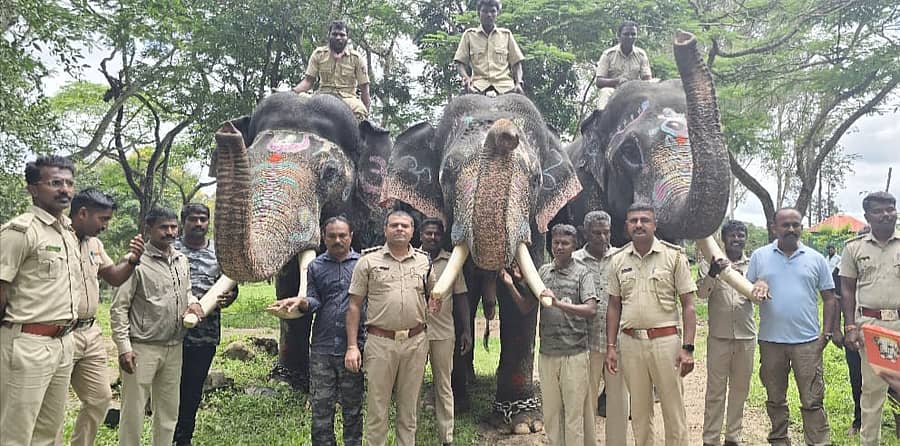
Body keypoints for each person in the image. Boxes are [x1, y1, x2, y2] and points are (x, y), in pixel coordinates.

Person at [0, 155, 83, 445]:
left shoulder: (68, 233)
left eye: (69, 183)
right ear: (33, 189)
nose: (65, 190)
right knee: (15, 431)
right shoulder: (20, 232)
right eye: (55, 183)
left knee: (49, 431)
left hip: (63, 343)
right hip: (27, 345)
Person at [110, 207, 203, 446]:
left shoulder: (181, 260)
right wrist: (124, 347)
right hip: (142, 348)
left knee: (168, 412)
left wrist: (192, 304)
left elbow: (186, 292)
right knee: (134, 412)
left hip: (174, 346)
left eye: (173, 227)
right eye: (163, 227)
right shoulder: (134, 263)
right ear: (149, 229)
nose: (170, 232)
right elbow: (118, 308)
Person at [606, 203, 697, 446]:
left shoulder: (674, 256)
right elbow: (614, 306)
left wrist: (688, 348)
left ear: (654, 225)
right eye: (633, 220)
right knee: (639, 410)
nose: (639, 224)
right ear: (627, 227)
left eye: (644, 220)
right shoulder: (617, 260)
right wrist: (611, 347)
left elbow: (688, 304)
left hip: (666, 342)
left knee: (673, 409)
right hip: (630, 343)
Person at [269, 216, 365, 446]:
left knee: (353, 409)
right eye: (332, 236)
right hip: (322, 348)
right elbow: (314, 299)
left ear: (351, 236)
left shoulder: (363, 265)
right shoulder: (316, 266)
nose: (337, 240)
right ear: (324, 237)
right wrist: (302, 302)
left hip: (354, 347)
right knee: (321, 408)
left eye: (342, 235)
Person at [747, 207, 836, 446]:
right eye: (785, 225)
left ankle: (817, 442)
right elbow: (746, 293)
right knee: (775, 399)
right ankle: (779, 440)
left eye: (795, 224)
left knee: (812, 399)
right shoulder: (759, 256)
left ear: (801, 227)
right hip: (771, 341)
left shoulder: (816, 259)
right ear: (774, 228)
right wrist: (757, 284)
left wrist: (826, 334)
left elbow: (829, 297)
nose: (791, 229)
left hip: (807, 343)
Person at [344, 210, 433, 446]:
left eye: (405, 225)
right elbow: (353, 305)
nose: (400, 229)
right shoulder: (368, 261)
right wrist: (352, 346)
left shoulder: (425, 261)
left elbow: (433, 297)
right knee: (377, 409)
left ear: (413, 231)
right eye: (394, 225)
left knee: (409, 410)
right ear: (385, 229)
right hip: (380, 343)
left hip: (415, 342)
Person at [65, 188, 144, 446]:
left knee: (99, 398)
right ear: (83, 213)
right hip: (60, 333)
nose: (106, 226)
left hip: (90, 332)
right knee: (49, 407)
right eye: (103, 219)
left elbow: (113, 276)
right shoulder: (57, 236)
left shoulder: (94, 244)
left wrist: (132, 259)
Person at [173, 203, 238, 446]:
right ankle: (165, 435)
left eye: (203, 219)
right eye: (193, 219)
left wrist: (230, 298)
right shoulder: (171, 248)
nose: (199, 224)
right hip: (171, 335)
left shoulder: (219, 252)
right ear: (184, 221)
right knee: (170, 389)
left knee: (192, 390)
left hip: (205, 336)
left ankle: (183, 439)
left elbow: (231, 288)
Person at [840, 191, 900, 445]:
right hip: (873, 328)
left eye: (891, 208)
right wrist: (850, 325)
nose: (886, 214)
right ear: (868, 216)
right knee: (873, 391)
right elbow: (846, 289)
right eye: (879, 210)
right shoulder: (854, 248)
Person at [533, 224, 597, 445]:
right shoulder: (543, 272)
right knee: (551, 415)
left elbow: (591, 310)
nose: (559, 247)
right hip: (547, 354)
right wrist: (511, 284)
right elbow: (527, 307)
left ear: (574, 245)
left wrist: (558, 303)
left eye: (565, 243)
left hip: (574, 355)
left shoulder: (583, 273)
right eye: (555, 242)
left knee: (573, 417)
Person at [571, 210, 629, 446]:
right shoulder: (573, 260)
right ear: (586, 232)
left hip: (618, 342)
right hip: (587, 341)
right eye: (596, 233)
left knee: (618, 401)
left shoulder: (622, 257)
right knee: (587, 400)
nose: (602, 238)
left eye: (606, 232)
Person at [697, 220, 755, 446]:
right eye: (732, 235)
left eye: (741, 235)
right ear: (723, 238)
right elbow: (701, 294)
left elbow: (760, 296)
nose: (737, 239)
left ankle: (733, 438)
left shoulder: (754, 265)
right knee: (715, 392)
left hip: (746, 337)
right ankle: (710, 439)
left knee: (740, 391)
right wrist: (712, 274)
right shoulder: (709, 263)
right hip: (718, 338)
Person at [419, 218, 473, 446]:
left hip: (443, 333)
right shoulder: (410, 259)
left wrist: (467, 330)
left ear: (442, 237)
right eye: (428, 233)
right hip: (414, 334)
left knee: (443, 384)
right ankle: (412, 434)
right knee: (412, 385)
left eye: (437, 234)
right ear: (420, 235)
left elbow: (461, 297)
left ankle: (447, 437)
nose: (432, 237)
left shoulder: (452, 261)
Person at [293, 20, 370, 121]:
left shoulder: (356, 58)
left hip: (347, 99)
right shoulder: (318, 54)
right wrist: (292, 92)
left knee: (360, 110)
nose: (338, 38)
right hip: (322, 96)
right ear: (329, 35)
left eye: (342, 35)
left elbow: (364, 88)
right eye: (335, 34)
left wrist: (366, 113)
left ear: (347, 38)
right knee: (299, 100)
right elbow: (308, 81)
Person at [453, 0, 525, 95]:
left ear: (497, 13)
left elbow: (516, 63)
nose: (489, 15)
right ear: (479, 13)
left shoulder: (506, 35)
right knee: (458, 107)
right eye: (485, 11)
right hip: (478, 86)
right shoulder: (469, 35)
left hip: (505, 86)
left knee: (524, 107)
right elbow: (460, 62)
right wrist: (466, 79)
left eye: (492, 11)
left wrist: (518, 82)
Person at [594, 20, 652, 110]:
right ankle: (600, 120)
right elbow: (599, 81)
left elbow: (647, 80)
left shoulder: (641, 55)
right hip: (613, 91)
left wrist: (635, 85)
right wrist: (617, 81)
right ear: (619, 36)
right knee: (605, 92)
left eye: (633, 34)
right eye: (626, 34)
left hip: (634, 92)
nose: (630, 37)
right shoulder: (608, 54)